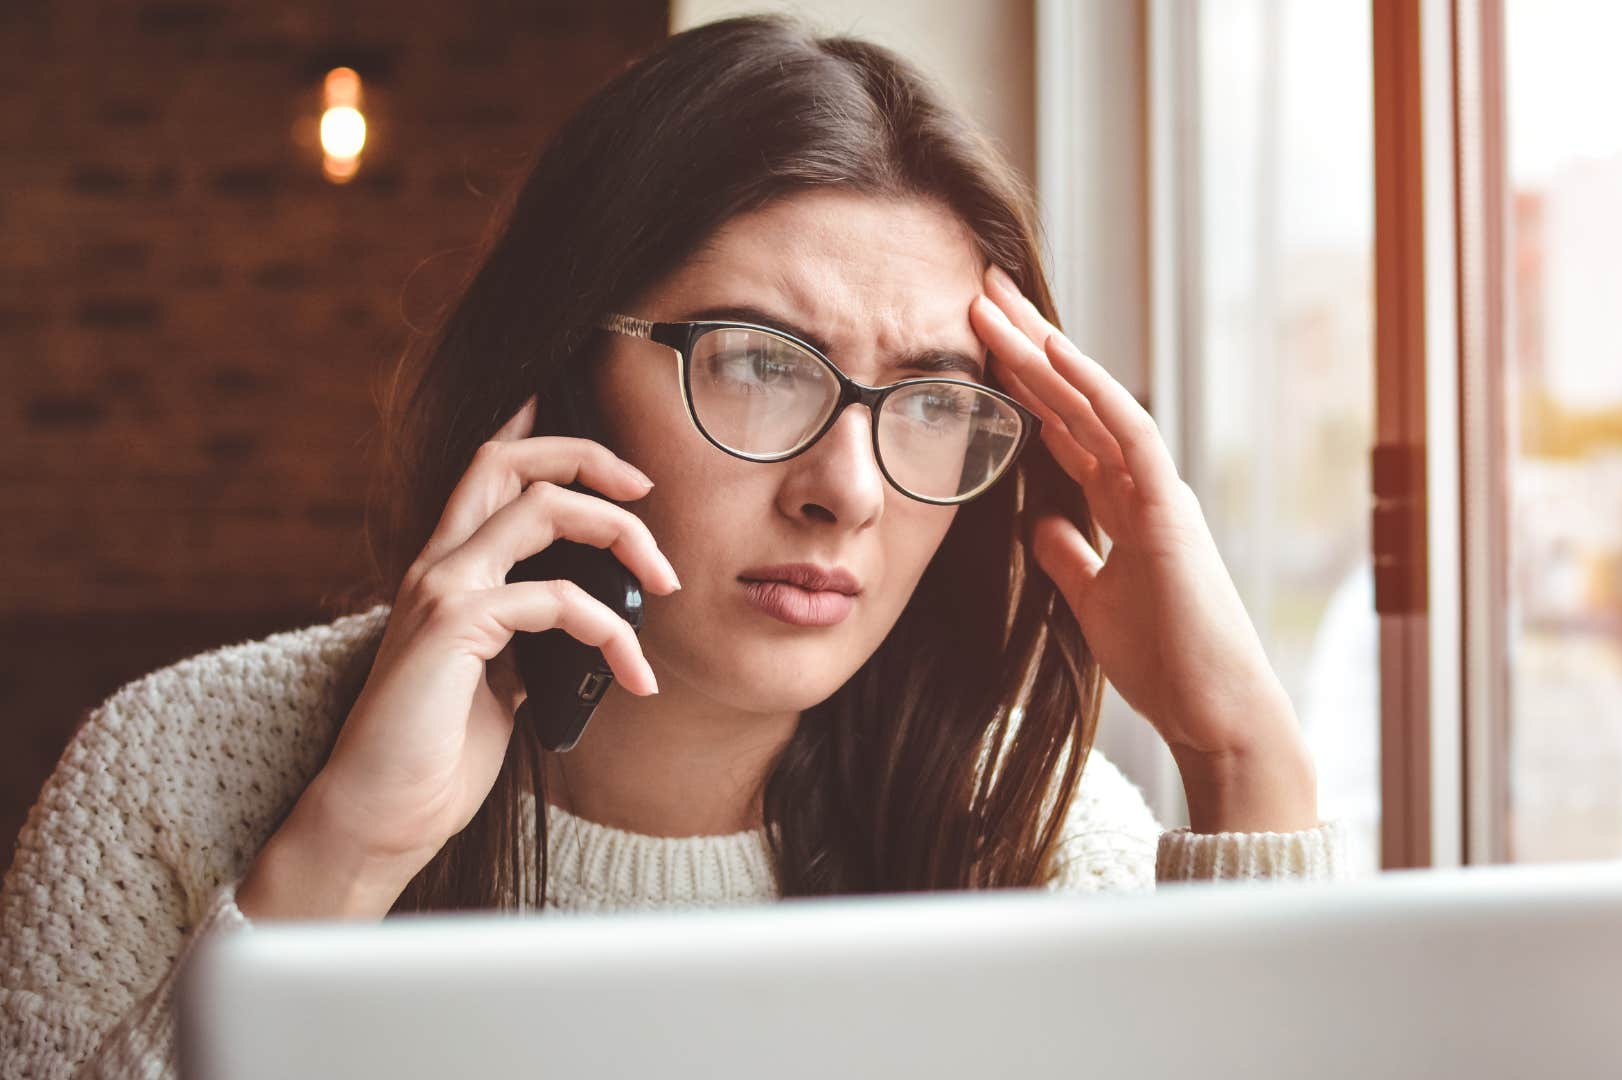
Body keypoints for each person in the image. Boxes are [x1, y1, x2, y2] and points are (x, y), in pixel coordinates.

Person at [0, 14, 1345, 1079]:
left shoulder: (1030, 841)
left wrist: (1244, 764)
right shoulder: (176, 780)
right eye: (762, 364)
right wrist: (344, 858)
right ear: (564, 374)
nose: (847, 492)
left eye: (934, 402)